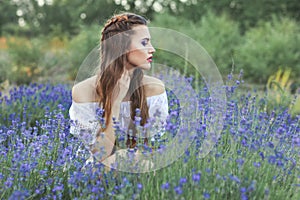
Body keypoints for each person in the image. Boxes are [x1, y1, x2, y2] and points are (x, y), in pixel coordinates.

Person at [69, 12, 169, 171]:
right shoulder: (83, 91)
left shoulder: (154, 89)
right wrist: (114, 102)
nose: (152, 49)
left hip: (142, 168)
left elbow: (155, 149)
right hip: (95, 174)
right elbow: (99, 156)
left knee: (131, 158)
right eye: (144, 43)